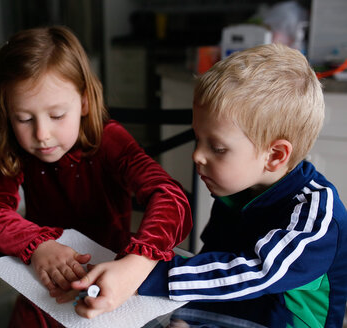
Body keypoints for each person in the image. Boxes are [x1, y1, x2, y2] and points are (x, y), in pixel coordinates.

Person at [75, 43, 347, 327]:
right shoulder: (237, 188)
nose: (196, 155)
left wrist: (144, 276)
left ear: (275, 155)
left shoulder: (318, 216)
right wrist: (182, 315)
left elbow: (255, 271)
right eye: (198, 138)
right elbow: (213, 258)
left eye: (217, 148)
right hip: (238, 306)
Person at [0, 25, 192, 320]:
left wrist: (137, 263)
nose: (42, 134)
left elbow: (171, 197)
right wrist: (38, 245)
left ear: (85, 102)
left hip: (112, 279)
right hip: (45, 278)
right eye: (24, 118)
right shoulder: (17, 150)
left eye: (57, 115)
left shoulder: (109, 140)